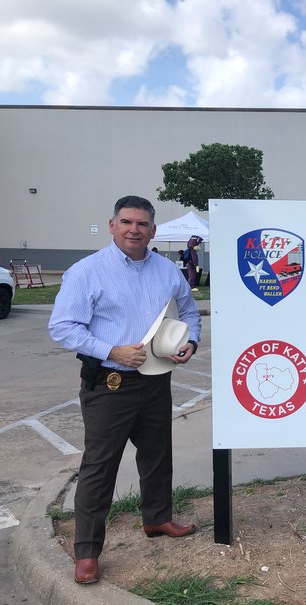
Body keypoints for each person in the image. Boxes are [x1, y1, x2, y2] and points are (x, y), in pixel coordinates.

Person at [49, 195, 201, 585]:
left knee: (157, 455)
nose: (135, 230)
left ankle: (158, 518)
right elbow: (63, 327)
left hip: (156, 378)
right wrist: (111, 350)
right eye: (127, 222)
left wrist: (190, 342)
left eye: (143, 224)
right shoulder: (86, 272)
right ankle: (87, 553)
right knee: (100, 467)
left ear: (153, 229)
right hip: (109, 383)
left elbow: (188, 312)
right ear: (113, 225)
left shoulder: (167, 271)